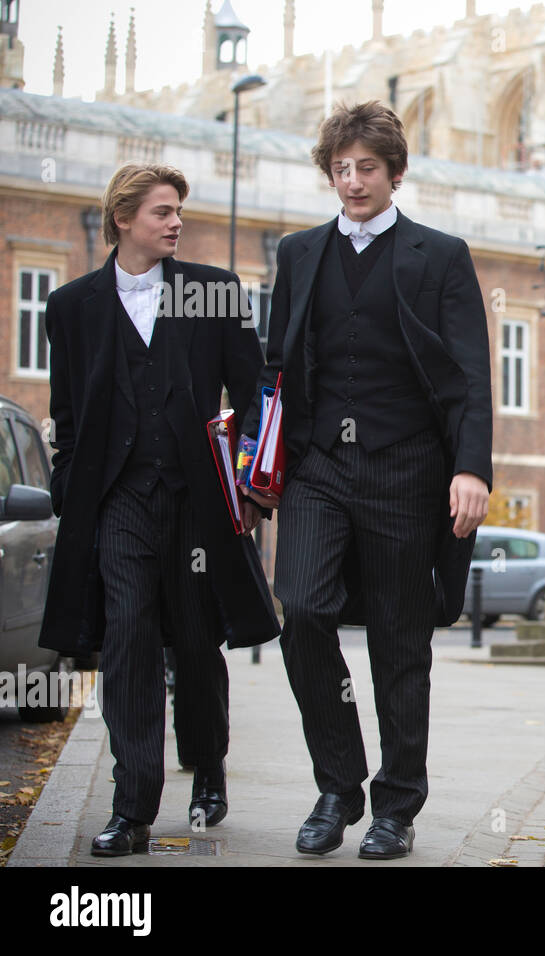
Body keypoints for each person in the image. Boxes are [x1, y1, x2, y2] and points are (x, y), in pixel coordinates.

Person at [241, 101, 491, 860]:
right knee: (305, 612)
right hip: (319, 466)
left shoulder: (439, 256)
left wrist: (471, 467)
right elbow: (276, 368)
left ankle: (396, 807)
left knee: (398, 643)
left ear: (396, 172)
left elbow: (471, 376)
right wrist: (259, 462)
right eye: (341, 168)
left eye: (367, 169)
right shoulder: (299, 252)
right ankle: (337, 785)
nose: (352, 181)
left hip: (407, 468)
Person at [40, 162, 279, 856]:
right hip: (115, 506)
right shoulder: (72, 307)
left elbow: (254, 390)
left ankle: (208, 771)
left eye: (179, 211)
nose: (176, 222)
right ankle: (132, 807)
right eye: (162, 212)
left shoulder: (214, 292)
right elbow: (66, 415)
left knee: (198, 647)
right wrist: (67, 488)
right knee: (128, 642)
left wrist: (256, 476)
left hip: (198, 502)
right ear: (123, 219)